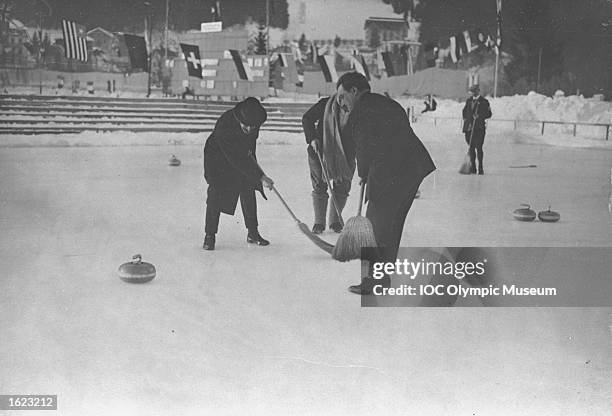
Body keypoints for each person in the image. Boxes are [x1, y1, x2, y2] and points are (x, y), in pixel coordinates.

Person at [335, 72, 436, 295]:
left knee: (375, 227)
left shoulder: (360, 112)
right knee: (391, 225)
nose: (342, 102)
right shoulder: (387, 103)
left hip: (390, 172)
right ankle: (382, 278)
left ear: (354, 91)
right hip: (412, 169)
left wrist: (362, 173)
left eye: (343, 96)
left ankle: (374, 280)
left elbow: (364, 146)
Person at [202, 97, 274, 251]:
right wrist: (260, 177)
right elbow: (235, 158)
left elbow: (248, 150)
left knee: (248, 189)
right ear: (239, 119)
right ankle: (209, 236)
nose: (249, 129)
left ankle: (253, 233)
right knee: (216, 194)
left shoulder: (254, 120)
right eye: (246, 126)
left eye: (253, 127)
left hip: (240, 156)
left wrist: (256, 173)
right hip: (217, 159)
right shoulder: (225, 124)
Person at [302, 94, 355, 234]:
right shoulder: (326, 104)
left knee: (343, 186)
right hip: (320, 151)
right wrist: (312, 138)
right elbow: (307, 118)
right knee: (319, 184)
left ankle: (335, 221)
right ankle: (319, 222)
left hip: (347, 154)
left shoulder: (358, 109)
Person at [462, 85, 492, 174]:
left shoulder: (484, 102)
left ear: (478, 91)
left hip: (479, 129)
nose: (473, 94)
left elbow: (489, 114)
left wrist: (479, 116)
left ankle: (480, 167)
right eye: (471, 92)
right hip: (469, 129)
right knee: (471, 148)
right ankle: (473, 167)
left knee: (479, 147)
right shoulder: (469, 101)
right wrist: (466, 119)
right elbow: (464, 111)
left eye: (474, 92)